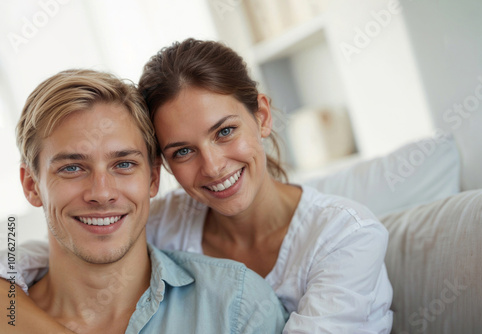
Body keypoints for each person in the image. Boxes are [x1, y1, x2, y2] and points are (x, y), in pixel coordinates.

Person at [1, 39, 393, 333]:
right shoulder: (159, 220)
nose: (213, 165)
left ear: (263, 116)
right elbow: (31, 257)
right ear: (162, 168)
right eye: (183, 150)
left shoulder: (343, 238)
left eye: (225, 131)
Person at [0, 69, 287, 334]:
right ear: (31, 186)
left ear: (153, 178)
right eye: (72, 168)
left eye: (123, 164)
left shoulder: (236, 307)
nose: (102, 193)